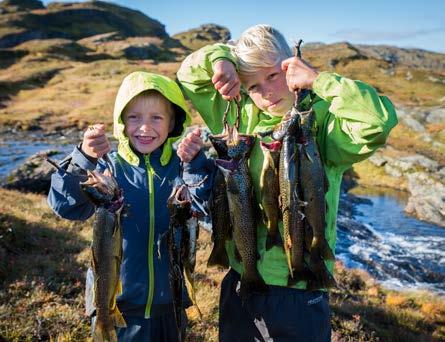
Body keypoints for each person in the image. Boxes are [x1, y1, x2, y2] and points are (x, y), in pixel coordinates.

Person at [177, 24, 398, 341]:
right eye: (253, 85)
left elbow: (377, 121)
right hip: (241, 278)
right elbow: (188, 76)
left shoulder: (321, 123)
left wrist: (319, 81)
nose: (266, 91)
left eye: (273, 75)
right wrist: (219, 60)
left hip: (299, 288)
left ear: (292, 66)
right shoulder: (238, 114)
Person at [47, 71, 213, 341]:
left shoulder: (181, 166)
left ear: (173, 124)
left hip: (170, 305)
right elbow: (65, 206)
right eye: (134, 117)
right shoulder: (106, 167)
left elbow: (206, 207)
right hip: (114, 304)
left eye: (156, 118)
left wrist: (195, 163)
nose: (144, 128)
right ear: (121, 122)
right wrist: (83, 159)